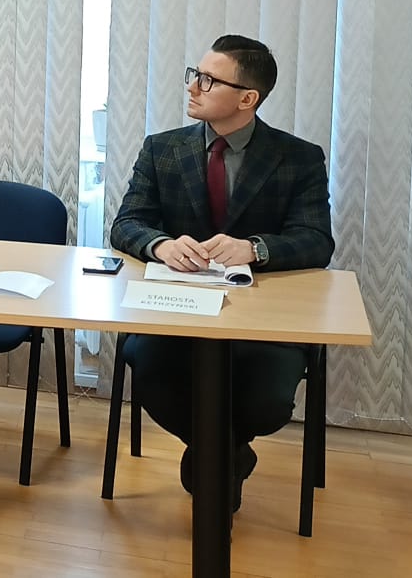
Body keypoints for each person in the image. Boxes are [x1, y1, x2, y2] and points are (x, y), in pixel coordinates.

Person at [110, 34, 335, 509]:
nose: (193, 86)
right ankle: (229, 457)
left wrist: (254, 249)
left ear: (247, 98)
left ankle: (213, 458)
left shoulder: (299, 158)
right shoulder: (162, 149)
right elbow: (127, 224)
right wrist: (161, 245)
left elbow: (316, 240)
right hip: (175, 313)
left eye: (209, 80)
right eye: (195, 74)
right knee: (153, 377)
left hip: (263, 321)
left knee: (267, 401)